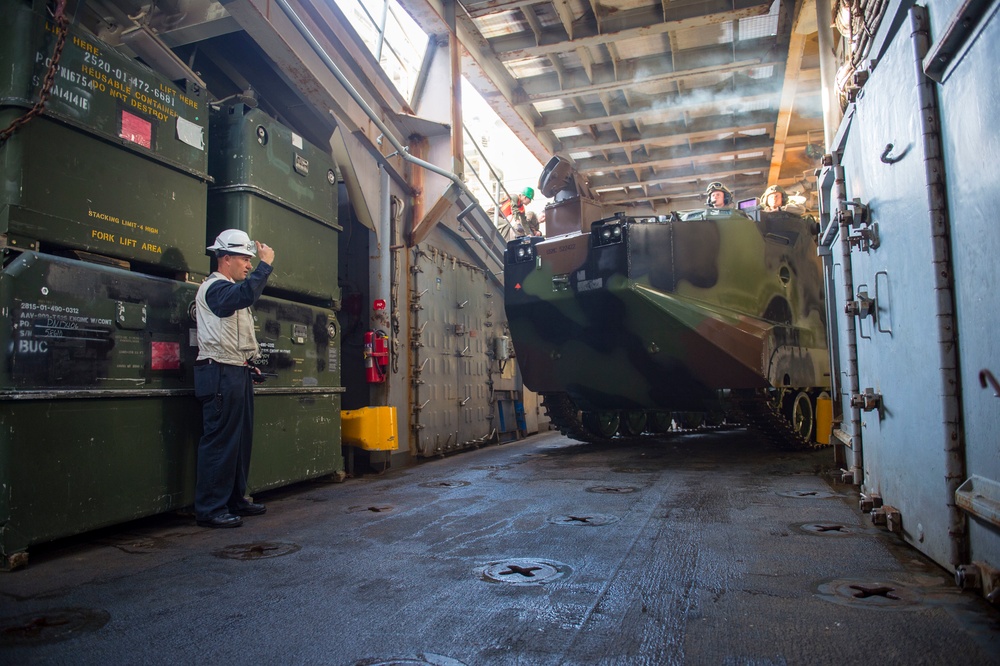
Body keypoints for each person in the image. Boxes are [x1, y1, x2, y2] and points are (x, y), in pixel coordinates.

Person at [194, 229, 275, 528]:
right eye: (244, 258)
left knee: (239, 441)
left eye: (252, 260)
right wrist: (267, 265)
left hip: (235, 370)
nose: (249, 264)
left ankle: (233, 499)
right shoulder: (215, 288)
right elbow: (245, 295)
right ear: (225, 259)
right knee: (220, 441)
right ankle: (210, 509)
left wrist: (247, 363)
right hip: (219, 373)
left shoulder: (228, 289)